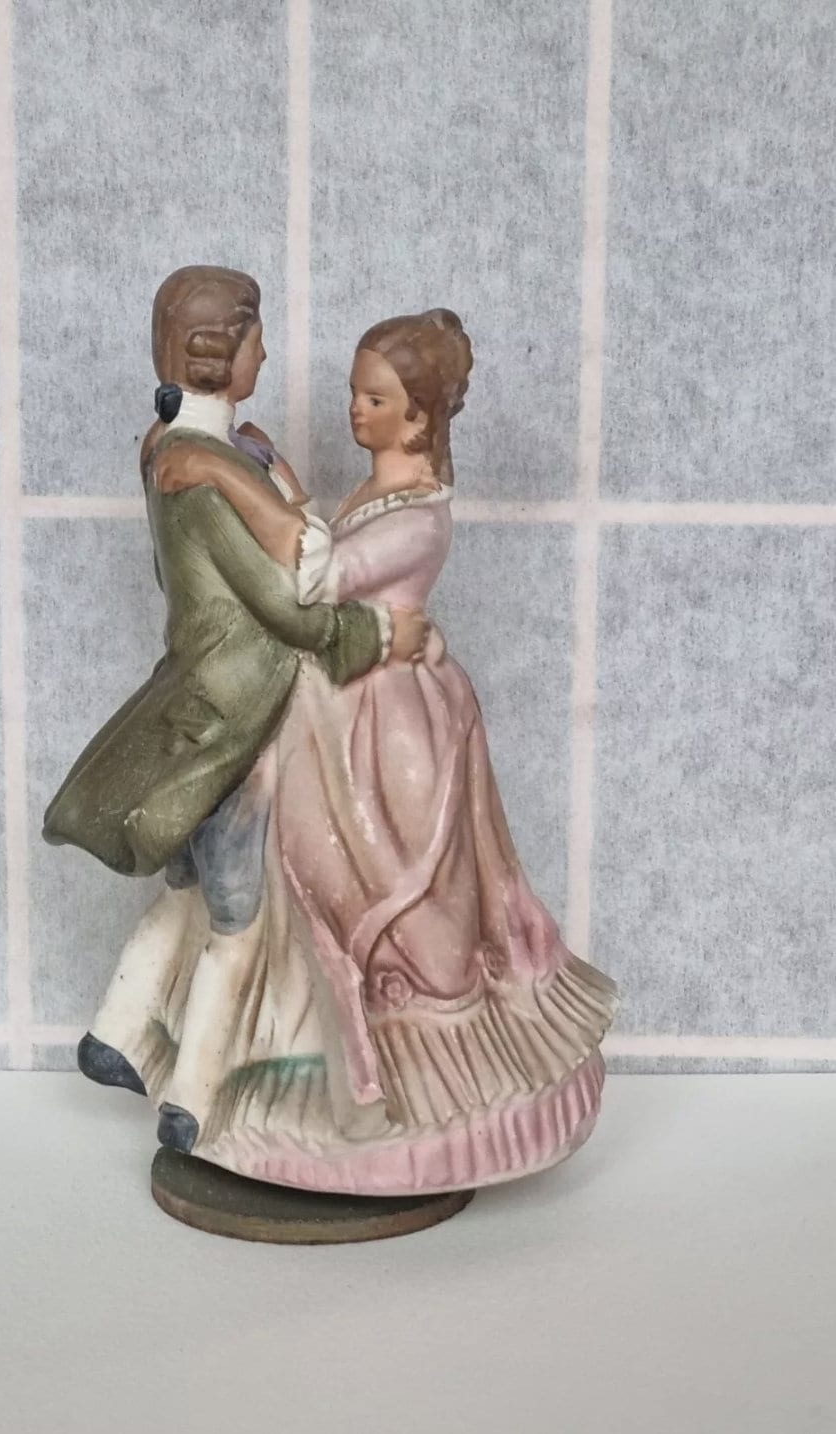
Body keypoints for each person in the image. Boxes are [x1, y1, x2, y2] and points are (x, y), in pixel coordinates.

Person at [152, 308, 619, 1194]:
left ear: (419, 418)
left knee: (394, 889)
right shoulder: (380, 492)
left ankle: (427, 1084)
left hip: (390, 729)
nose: (354, 411)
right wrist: (285, 481)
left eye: (375, 400)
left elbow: (317, 579)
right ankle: (321, 1057)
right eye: (353, 393)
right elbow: (328, 545)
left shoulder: (419, 519)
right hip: (341, 710)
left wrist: (230, 475)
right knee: (316, 878)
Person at [42, 267, 427, 1154]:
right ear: (219, 353)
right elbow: (287, 610)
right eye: (256, 340)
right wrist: (377, 632)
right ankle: (190, 1099)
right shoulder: (202, 475)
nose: (265, 355)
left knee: (187, 889)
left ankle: (115, 1031)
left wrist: (266, 470)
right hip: (237, 715)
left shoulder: (172, 444)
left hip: (191, 695)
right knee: (237, 918)